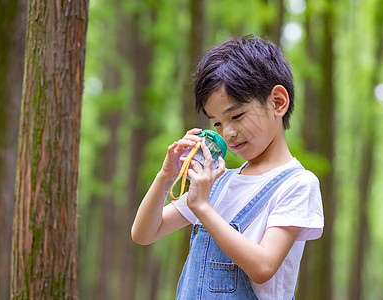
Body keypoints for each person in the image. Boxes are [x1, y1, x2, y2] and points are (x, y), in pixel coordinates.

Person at [131, 34, 324, 299]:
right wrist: (166, 176)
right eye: (218, 123)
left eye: (237, 116)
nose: (228, 133)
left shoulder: (297, 184)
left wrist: (203, 208)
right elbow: (144, 233)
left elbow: (264, 266)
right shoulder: (219, 183)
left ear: (278, 102)